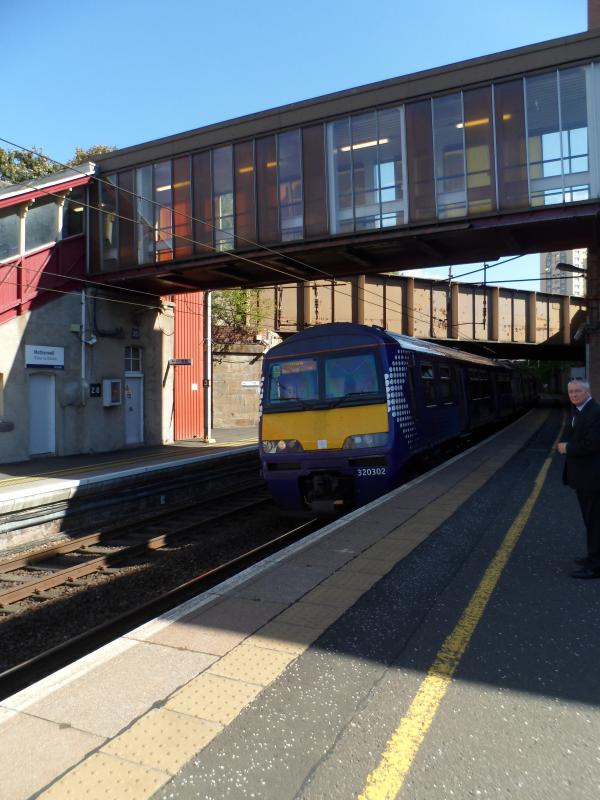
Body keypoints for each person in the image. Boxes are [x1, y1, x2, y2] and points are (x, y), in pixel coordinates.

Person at [557, 379, 600, 578]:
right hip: (584, 477)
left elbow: (593, 444)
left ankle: (596, 566)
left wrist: (568, 448)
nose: (573, 395)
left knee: (595, 521)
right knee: (590, 520)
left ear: (587, 391)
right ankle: (593, 556)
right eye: (571, 392)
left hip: (593, 478)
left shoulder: (595, 412)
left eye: (577, 391)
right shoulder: (581, 410)